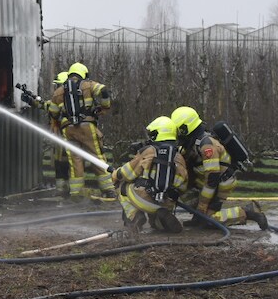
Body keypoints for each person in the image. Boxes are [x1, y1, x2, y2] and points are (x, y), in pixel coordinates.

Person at [171, 106, 268, 229]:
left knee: (210, 221)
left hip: (220, 183)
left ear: (185, 129)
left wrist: (202, 205)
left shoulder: (207, 146)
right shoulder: (192, 143)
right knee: (184, 188)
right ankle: (199, 217)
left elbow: (212, 179)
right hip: (206, 181)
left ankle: (249, 212)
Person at [109, 116, 187, 234]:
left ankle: (135, 217)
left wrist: (115, 174)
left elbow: (127, 174)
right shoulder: (179, 156)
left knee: (121, 185)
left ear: (157, 133)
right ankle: (161, 221)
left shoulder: (149, 151)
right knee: (155, 223)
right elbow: (183, 187)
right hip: (168, 203)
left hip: (146, 200)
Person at [50, 62, 115, 199]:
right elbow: (104, 91)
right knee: (96, 157)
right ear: (83, 74)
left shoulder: (58, 92)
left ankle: (76, 194)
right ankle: (108, 190)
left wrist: (55, 122)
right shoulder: (88, 85)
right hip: (87, 127)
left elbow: (53, 112)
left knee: (75, 161)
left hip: (68, 130)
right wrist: (104, 107)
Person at [22, 71, 76, 197]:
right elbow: (47, 106)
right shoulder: (60, 100)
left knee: (71, 166)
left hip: (70, 140)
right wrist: (32, 101)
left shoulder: (71, 103)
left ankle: (73, 192)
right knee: (59, 165)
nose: (57, 89)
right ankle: (62, 191)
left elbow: (50, 108)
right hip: (60, 140)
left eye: (59, 86)